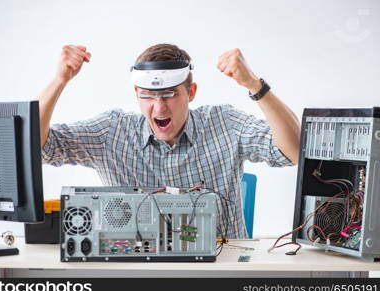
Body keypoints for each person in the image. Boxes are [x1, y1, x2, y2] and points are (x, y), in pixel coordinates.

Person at [40, 43, 300, 238]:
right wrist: (58, 81)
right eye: (148, 96)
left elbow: (294, 151)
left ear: (192, 92)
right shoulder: (112, 131)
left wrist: (255, 85)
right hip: (137, 275)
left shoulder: (224, 123)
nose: (159, 108)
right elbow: (40, 147)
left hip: (220, 272)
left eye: (169, 95)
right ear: (136, 94)